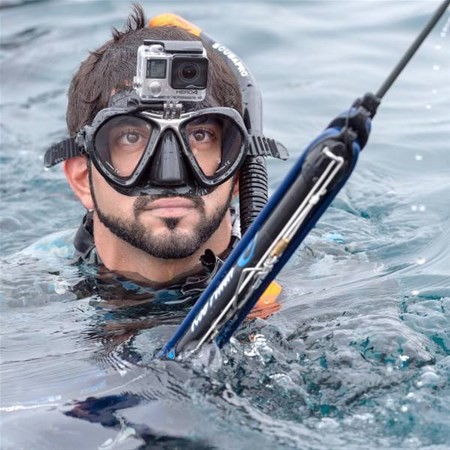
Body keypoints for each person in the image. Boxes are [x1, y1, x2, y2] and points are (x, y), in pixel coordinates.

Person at [44, 4, 285, 301]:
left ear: (237, 172)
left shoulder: (327, 274)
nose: (170, 175)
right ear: (83, 179)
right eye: (131, 137)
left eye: (200, 135)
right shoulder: (24, 298)